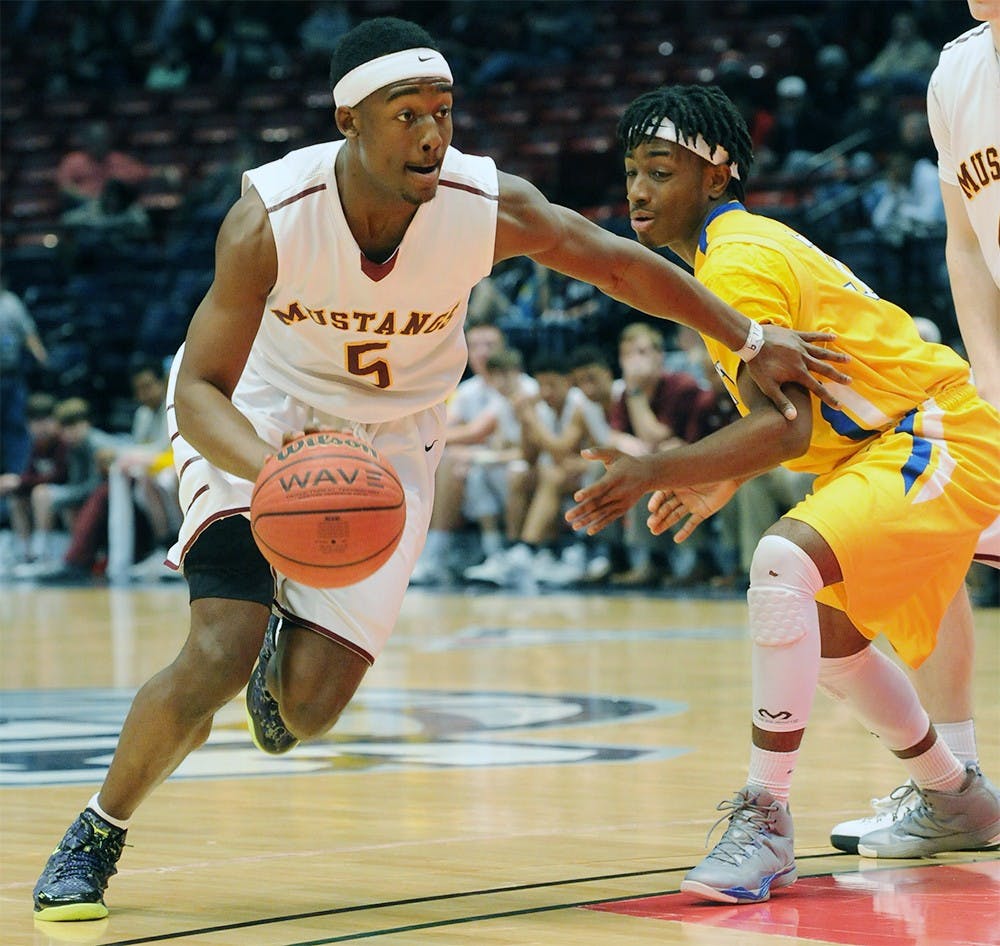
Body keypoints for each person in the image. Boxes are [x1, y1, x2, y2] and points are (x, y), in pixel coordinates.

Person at [31, 18, 850, 922]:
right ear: (349, 120)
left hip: (391, 443)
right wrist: (280, 471)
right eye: (407, 113)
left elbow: (618, 266)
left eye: (444, 111)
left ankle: (284, 663)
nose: (432, 133)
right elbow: (200, 395)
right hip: (257, 424)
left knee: (307, 712)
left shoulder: (483, 204)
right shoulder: (268, 221)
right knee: (217, 646)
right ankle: (96, 836)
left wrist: (749, 333)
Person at [566, 83, 1000, 905]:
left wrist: (659, 469)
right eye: (631, 171)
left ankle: (765, 818)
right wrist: (722, 471)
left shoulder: (736, 262)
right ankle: (954, 795)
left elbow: (791, 429)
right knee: (826, 631)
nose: (638, 190)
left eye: (660, 169)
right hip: (885, 449)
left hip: (931, 436)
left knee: (779, 564)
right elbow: (794, 420)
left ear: (719, 174)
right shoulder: (724, 257)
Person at [829, 0, 1000, 855]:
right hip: (996, 375)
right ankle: (955, 789)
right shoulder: (955, 73)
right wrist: (992, 379)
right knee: (929, 548)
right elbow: (966, 249)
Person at [0, 392, 67, 568]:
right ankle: (24, 552)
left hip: (68, 491)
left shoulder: (64, 442)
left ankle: (42, 551)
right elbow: (30, 473)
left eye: (46, 421)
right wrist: (15, 483)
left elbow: (60, 475)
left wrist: (20, 481)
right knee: (15, 497)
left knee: (40, 493)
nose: (41, 427)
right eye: (36, 422)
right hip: (47, 494)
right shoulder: (37, 445)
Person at [0, 281, 48, 477]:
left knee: (16, 427)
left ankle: (17, 476)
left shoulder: (11, 303)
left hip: (10, 376)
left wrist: (41, 356)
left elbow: (28, 333)